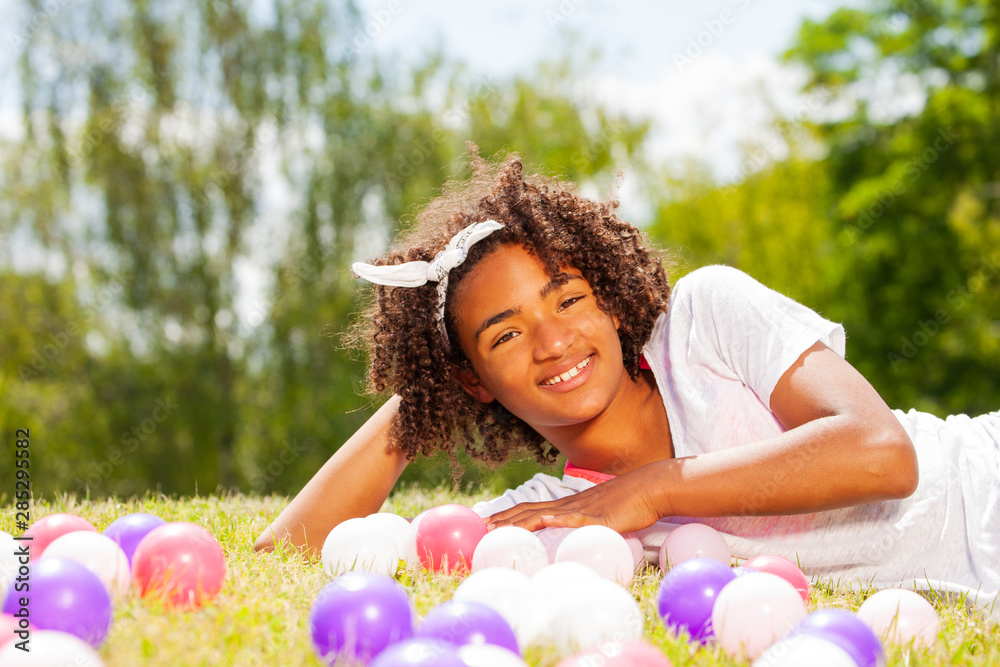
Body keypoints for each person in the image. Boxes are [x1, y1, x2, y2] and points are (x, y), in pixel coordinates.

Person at [254, 148, 999, 620]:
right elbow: (288, 558)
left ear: (610, 297)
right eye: (504, 336)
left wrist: (655, 489)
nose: (553, 342)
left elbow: (881, 455)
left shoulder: (706, 318)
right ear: (474, 380)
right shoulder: (560, 516)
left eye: (568, 298)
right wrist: (418, 400)